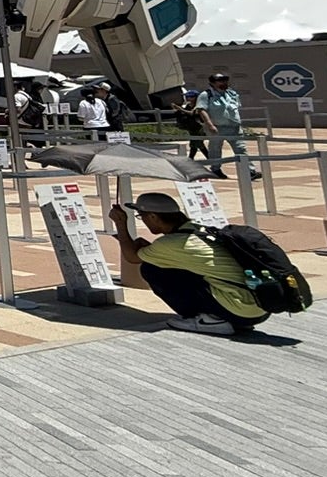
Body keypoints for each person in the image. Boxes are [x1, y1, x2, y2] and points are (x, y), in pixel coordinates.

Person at [111, 190, 267, 336]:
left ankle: (211, 320)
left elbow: (131, 257)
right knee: (171, 268)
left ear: (153, 217)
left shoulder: (172, 243)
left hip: (240, 310)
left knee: (151, 269)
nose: (143, 220)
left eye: (141, 216)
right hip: (260, 307)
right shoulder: (196, 229)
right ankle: (228, 318)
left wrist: (120, 223)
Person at [196, 73, 256, 180]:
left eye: (225, 80)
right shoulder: (206, 95)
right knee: (215, 150)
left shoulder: (231, 93)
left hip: (234, 127)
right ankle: (215, 170)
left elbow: (236, 108)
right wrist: (210, 125)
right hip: (217, 128)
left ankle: (249, 171)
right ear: (212, 83)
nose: (224, 83)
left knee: (241, 149)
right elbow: (201, 110)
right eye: (220, 81)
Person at [172, 90, 213, 163]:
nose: (188, 98)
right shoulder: (188, 105)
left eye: (190, 96)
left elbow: (192, 113)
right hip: (191, 127)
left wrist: (180, 109)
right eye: (187, 96)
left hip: (199, 127)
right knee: (194, 144)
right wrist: (177, 110)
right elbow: (183, 113)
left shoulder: (199, 105)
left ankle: (207, 159)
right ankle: (192, 159)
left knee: (198, 144)